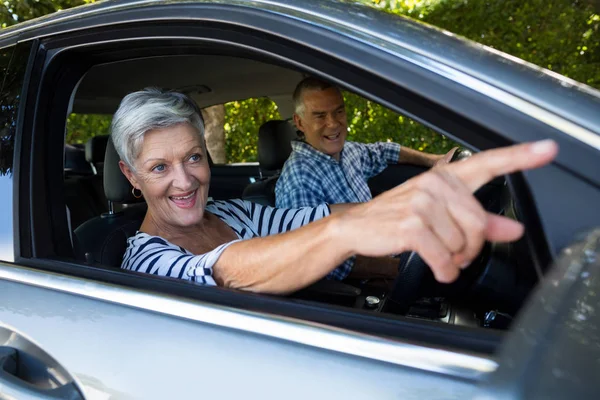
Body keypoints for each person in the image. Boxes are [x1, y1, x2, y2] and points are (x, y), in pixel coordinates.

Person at [114, 88, 557, 295]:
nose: (186, 180)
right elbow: (225, 271)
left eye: (193, 157)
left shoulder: (234, 213)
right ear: (131, 176)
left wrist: (409, 202)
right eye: (159, 167)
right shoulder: (144, 257)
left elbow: (310, 218)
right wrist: (346, 233)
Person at [275, 77, 458, 210]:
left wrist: (435, 160)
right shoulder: (299, 180)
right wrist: (397, 264)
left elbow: (384, 151)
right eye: (320, 116)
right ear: (299, 122)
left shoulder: (349, 152)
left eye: (339, 112)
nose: (333, 123)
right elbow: (315, 254)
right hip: (378, 259)